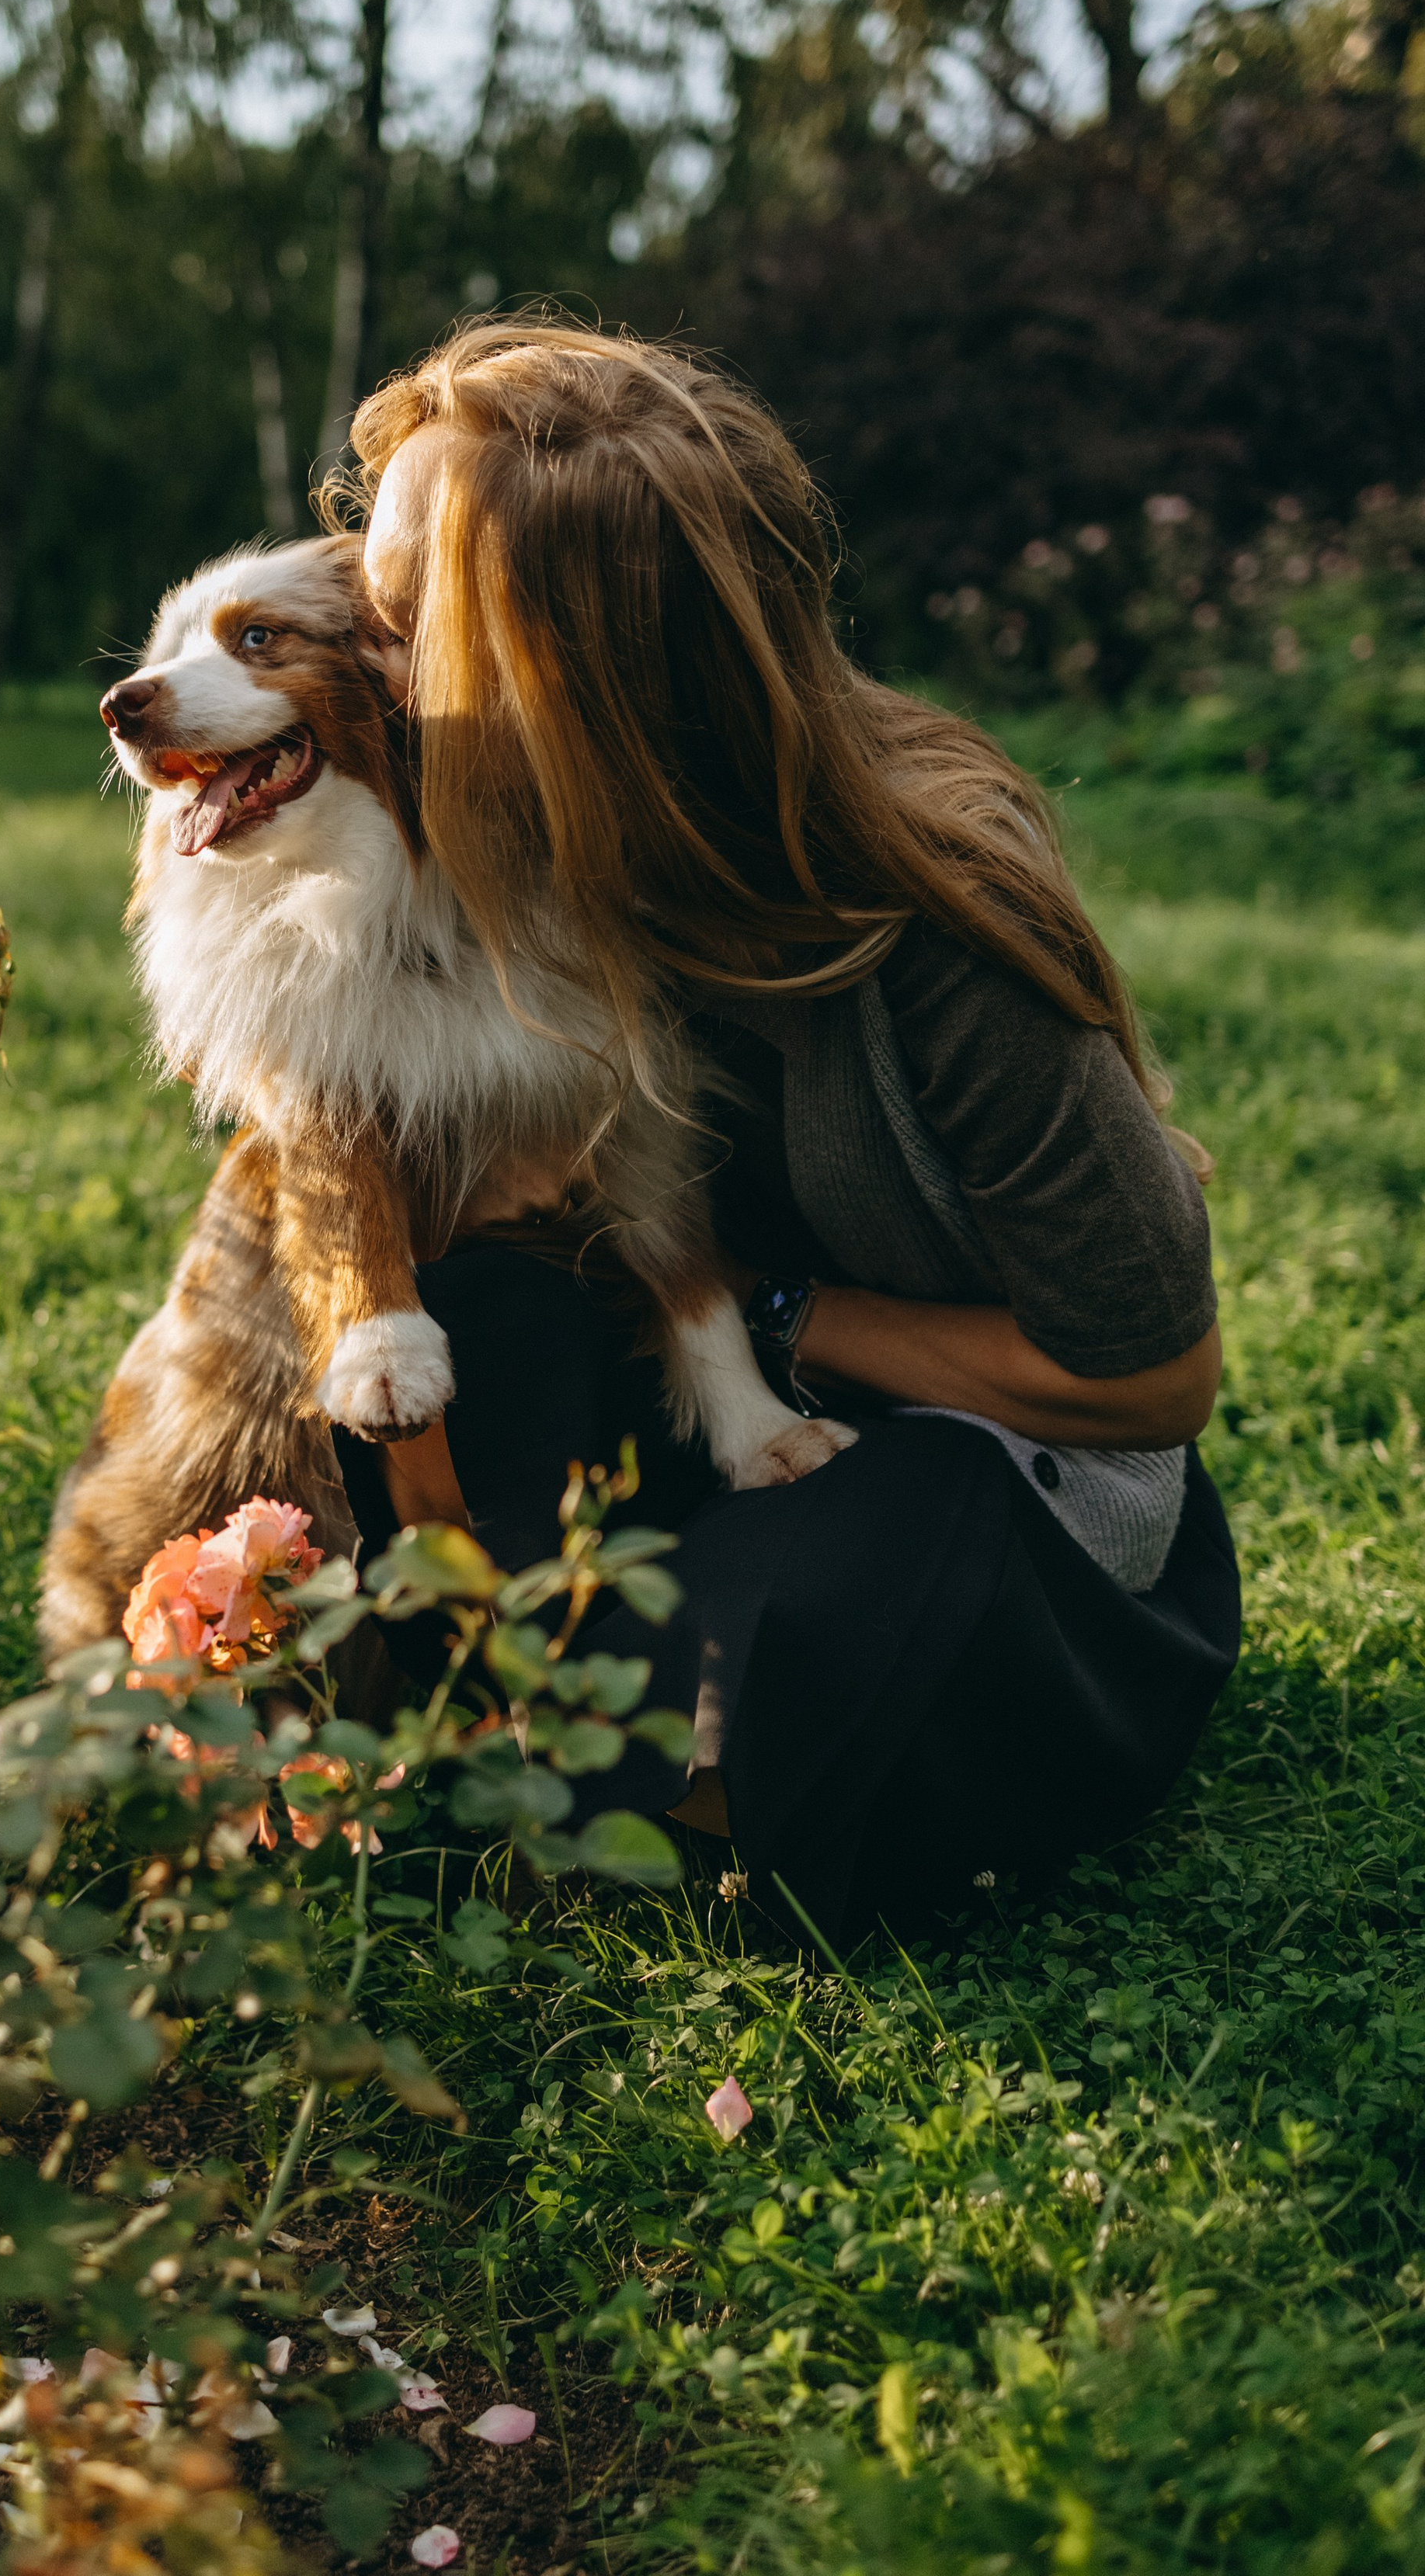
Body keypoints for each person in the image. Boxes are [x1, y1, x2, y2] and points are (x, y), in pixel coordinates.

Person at [323, 321, 1238, 1951]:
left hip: (995, 1465)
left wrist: (776, 1311)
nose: (353, 639)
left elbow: (1153, 1382)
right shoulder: (496, 870)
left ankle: (623, 1754)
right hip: (725, 1408)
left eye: (396, 617)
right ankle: (553, 1714)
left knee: (847, 1587)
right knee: (457, 1339)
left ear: (548, 679)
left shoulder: (942, 931)